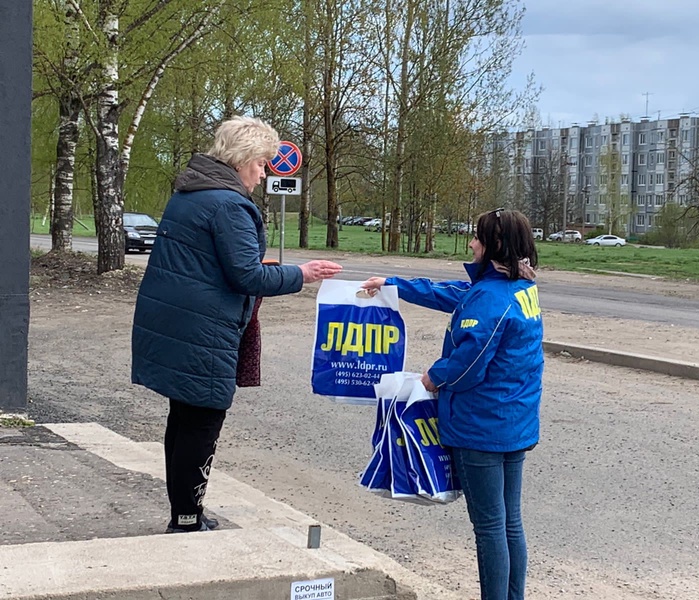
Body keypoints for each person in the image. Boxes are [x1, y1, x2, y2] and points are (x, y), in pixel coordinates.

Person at [131, 116, 342, 533]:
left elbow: (209, 261)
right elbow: (246, 276)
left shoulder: (191, 192)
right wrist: (303, 274)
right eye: (261, 164)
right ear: (243, 158)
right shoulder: (228, 203)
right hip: (203, 330)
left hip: (177, 320)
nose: (263, 174)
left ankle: (185, 514)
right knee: (204, 420)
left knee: (185, 417)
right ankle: (187, 521)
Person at [361, 209, 543, 600]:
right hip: (514, 422)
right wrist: (394, 285)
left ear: (493, 245)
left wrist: (433, 377)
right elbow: (454, 295)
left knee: (490, 527)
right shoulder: (517, 288)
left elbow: (469, 364)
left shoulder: (490, 300)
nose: (470, 244)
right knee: (510, 521)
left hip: (482, 429)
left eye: (476, 238)